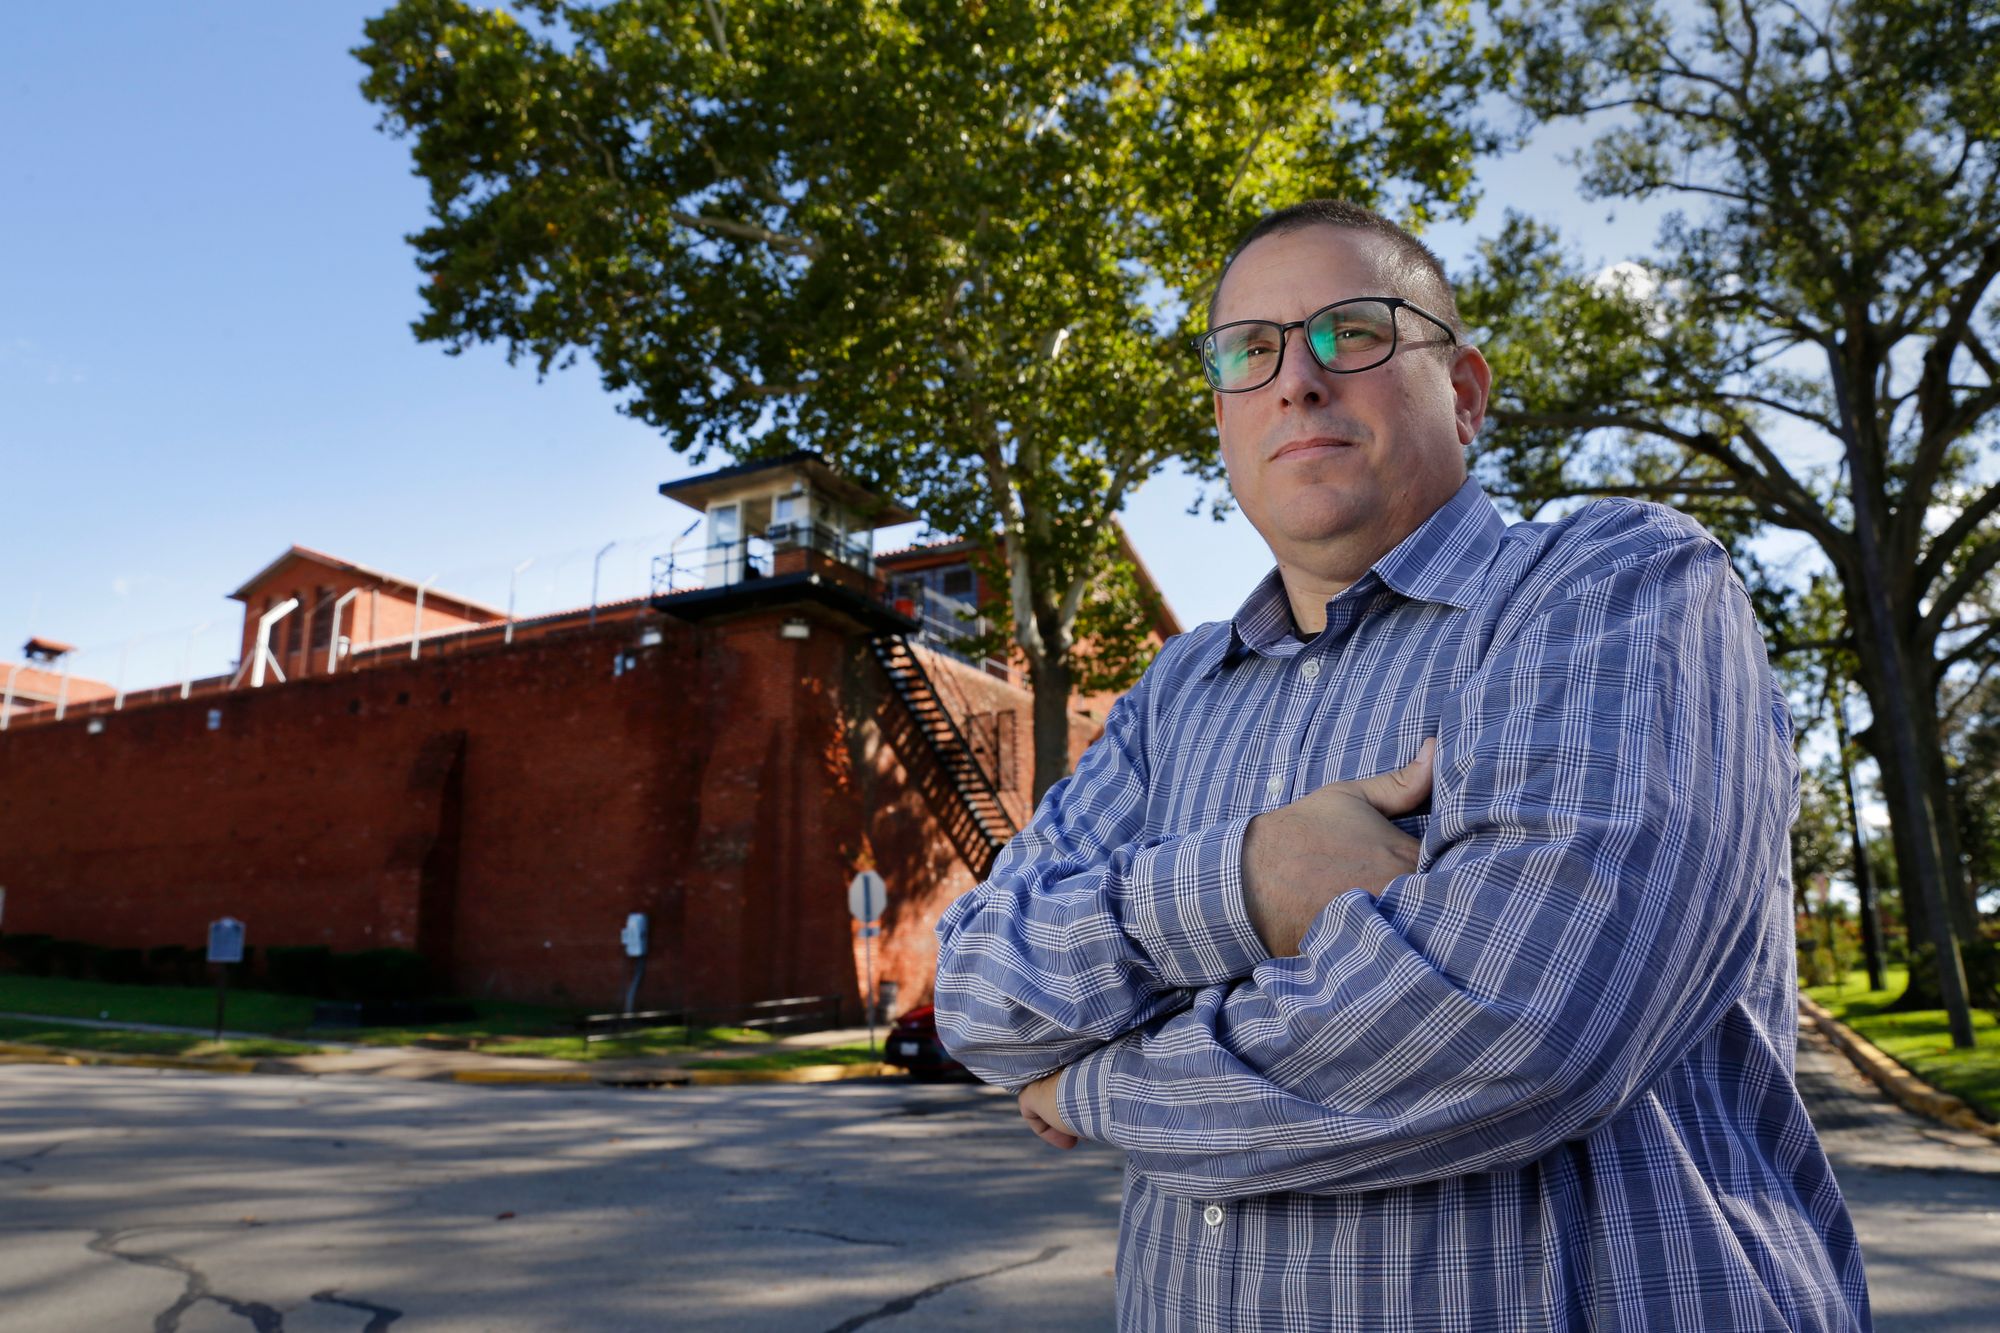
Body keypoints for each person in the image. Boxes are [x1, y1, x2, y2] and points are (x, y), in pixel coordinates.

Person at [932, 199, 1869, 1331]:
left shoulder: (1610, 586)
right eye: (1249, 351)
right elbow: (979, 990)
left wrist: (1090, 1084)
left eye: (1352, 332)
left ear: (1463, 391)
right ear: (1225, 418)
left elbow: (1515, 1022)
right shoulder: (1171, 696)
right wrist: (1245, 883)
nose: (1296, 380)